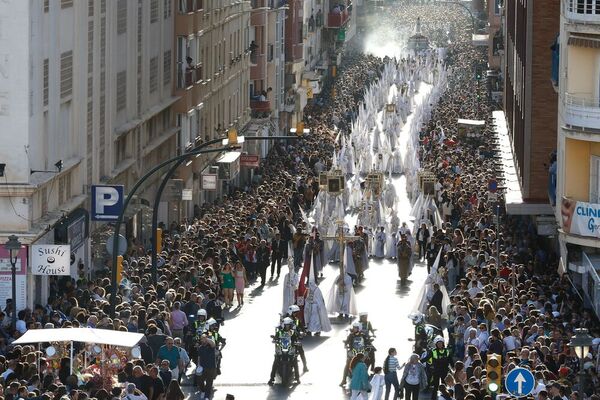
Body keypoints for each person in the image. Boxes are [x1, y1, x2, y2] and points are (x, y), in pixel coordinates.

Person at [268, 317, 301, 385]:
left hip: (290, 348)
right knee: (275, 361)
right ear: (283, 325)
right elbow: (276, 337)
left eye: (288, 325)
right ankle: (271, 378)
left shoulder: (292, 332)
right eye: (286, 325)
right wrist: (275, 339)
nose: (287, 326)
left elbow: (296, 338)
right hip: (281, 348)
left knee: (295, 361)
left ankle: (297, 378)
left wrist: (296, 341)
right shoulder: (280, 332)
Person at [196, 334, 217, 400]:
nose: (203, 339)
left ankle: (207, 396)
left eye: (204, 338)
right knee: (200, 381)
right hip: (202, 367)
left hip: (211, 367)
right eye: (202, 338)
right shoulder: (200, 347)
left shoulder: (210, 346)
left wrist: (206, 339)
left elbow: (213, 344)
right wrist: (198, 365)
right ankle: (203, 391)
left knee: (209, 383)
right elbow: (199, 357)